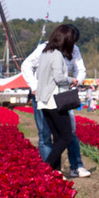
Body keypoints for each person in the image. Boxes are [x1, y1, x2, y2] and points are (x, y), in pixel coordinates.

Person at [21, 26, 91, 175]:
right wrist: (35, 86)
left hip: (54, 96)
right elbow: (56, 77)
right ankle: (48, 167)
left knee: (61, 134)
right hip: (53, 97)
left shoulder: (49, 51)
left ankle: (64, 168)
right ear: (66, 40)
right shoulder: (48, 51)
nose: (73, 45)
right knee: (57, 134)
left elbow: (80, 69)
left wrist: (76, 81)